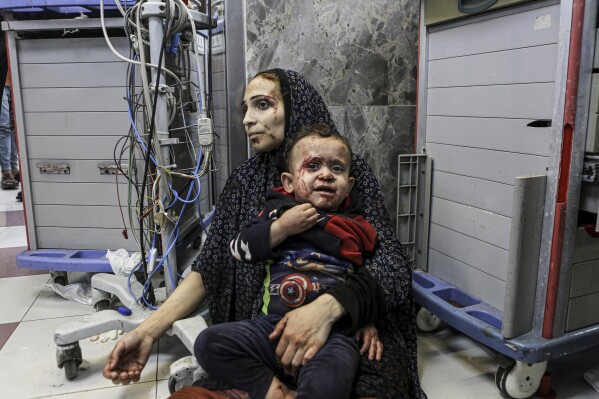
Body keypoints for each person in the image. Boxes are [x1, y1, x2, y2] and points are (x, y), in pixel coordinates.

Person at [103, 69, 426, 399]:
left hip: (344, 326)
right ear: (287, 181)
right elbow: (211, 266)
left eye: (261, 105)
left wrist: (328, 310)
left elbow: (390, 265)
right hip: (268, 332)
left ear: (296, 106)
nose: (247, 120)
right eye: (245, 109)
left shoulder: (344, 173)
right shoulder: (245, 180)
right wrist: (147, 332)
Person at [195, 124, 382, 398]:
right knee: (209, 343)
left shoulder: (355, 226)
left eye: (337, 169)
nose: (326, 175)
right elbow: (237, 248)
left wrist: (366, 319)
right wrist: (281, 228)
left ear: (349, 186)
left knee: (331, 380)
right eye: (313, 166)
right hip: (272, 327)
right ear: (289, 183)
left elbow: (368, 280)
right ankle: (272, 389)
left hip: (332, 334)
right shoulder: (277, 213)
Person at [0, 39, 19, 191]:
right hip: (5, 83)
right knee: (5, 127)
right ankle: (6, 171)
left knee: (14, 128)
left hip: (15, 82)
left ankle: (14, 168)